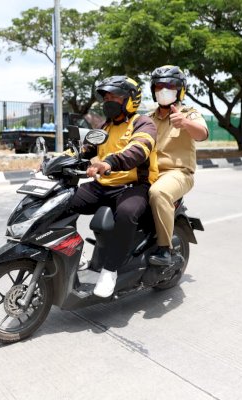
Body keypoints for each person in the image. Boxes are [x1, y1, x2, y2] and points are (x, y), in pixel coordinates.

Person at [69, 75, 158, 297]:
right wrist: (54, 161)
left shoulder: (143, 123)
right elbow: (84, 150)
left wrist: (109, 162)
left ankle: (110, 271)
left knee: (127, 213)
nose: (108, 100)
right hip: (104, 185)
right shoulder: (105, 126)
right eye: (106, 96)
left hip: (134, 185)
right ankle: (73, 252)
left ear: (130, 99)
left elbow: (139, 150)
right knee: (67, 201)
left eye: (114, 96)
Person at [147, 65, 209, 265]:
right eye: (158, 86)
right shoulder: (148, 118)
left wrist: (185, 123)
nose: (163, 90)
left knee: (159, 193)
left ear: (180, 89)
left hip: (178, 173)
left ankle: (165, 249)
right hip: (149, 173)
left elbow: (202, 134)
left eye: (170, 85)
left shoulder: (188, 113)